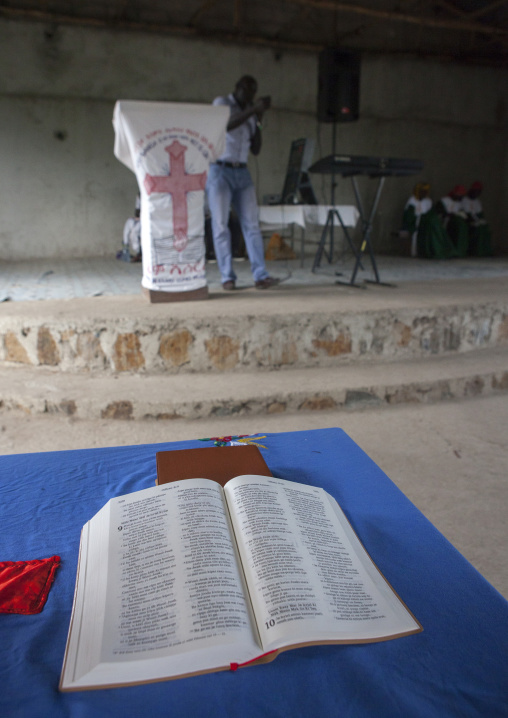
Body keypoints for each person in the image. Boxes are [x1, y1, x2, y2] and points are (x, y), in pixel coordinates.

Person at [206, 75, 279, 290]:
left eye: (253, 91)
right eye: (247, 90)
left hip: (243, 172)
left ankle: (260, 275)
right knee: (220, 225)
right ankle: (227, 277)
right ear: (237, 88)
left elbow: (256, 149)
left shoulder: (251, 113)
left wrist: (259, 119)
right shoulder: (222, 103)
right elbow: (226, 125)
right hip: (220, 170)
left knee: (252, 225)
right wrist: (252, 110)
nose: (250, 95)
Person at [435, 185, 469, 257]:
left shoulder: (459, 203)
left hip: (455, 222)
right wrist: (449, 214)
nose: (461, 198)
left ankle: (459, 250)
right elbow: (439, 212)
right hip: (445, 221)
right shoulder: (444, 200)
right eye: (460, 196)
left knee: (462, 226)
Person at [461, 181, 493, 256]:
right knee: (478, 229)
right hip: (467, 221)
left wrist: (480, 220)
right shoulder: (464, 200)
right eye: (475, 191)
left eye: (478, 192)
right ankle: (475, 251)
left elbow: (479, 214)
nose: (476, 193)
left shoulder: (477, 201)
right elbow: (464, 213)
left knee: (484, 228)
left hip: (476, 221)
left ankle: (483, 251)